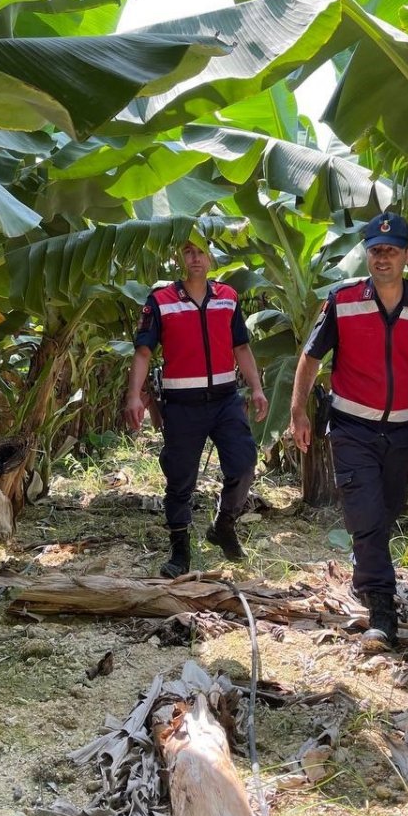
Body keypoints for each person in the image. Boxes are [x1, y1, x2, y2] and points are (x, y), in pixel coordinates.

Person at [290, 212, 408, 650]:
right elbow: (310, 359)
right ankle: (383, 611)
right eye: (375, 250)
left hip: (403, 430)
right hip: (351, 426)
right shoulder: (342, 301)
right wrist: (298, 413)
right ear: (367, 254)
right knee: (364, 513)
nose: (382, 258)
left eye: (391, 250)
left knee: (387, 510)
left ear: (407, 256)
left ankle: (365, 568)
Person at [125, 239, 268, 578]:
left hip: (225, 400)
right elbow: (143, 352)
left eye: (201, 251)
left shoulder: (228, 298)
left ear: (211, 257)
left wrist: (258, 388)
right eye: (188, 252)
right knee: (179, 480)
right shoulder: (160, 301)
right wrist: (134, 395)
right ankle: (180, 550)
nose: (195, 258)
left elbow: (242, 347)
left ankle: (223, 524)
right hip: (181, 404)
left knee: (244, 463)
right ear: (180, 257)